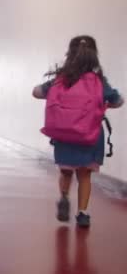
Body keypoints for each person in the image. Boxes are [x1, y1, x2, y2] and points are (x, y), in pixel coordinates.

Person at [33, 35, 124, 228]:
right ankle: (82, 213)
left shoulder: (61, 79)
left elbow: (36, 92)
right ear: (94, 55)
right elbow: (117, 100)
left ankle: (64, 197)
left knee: (66, 172)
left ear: (70, 53)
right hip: (89, 135)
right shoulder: (99, 81)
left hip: (64, 135)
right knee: (85, 175)